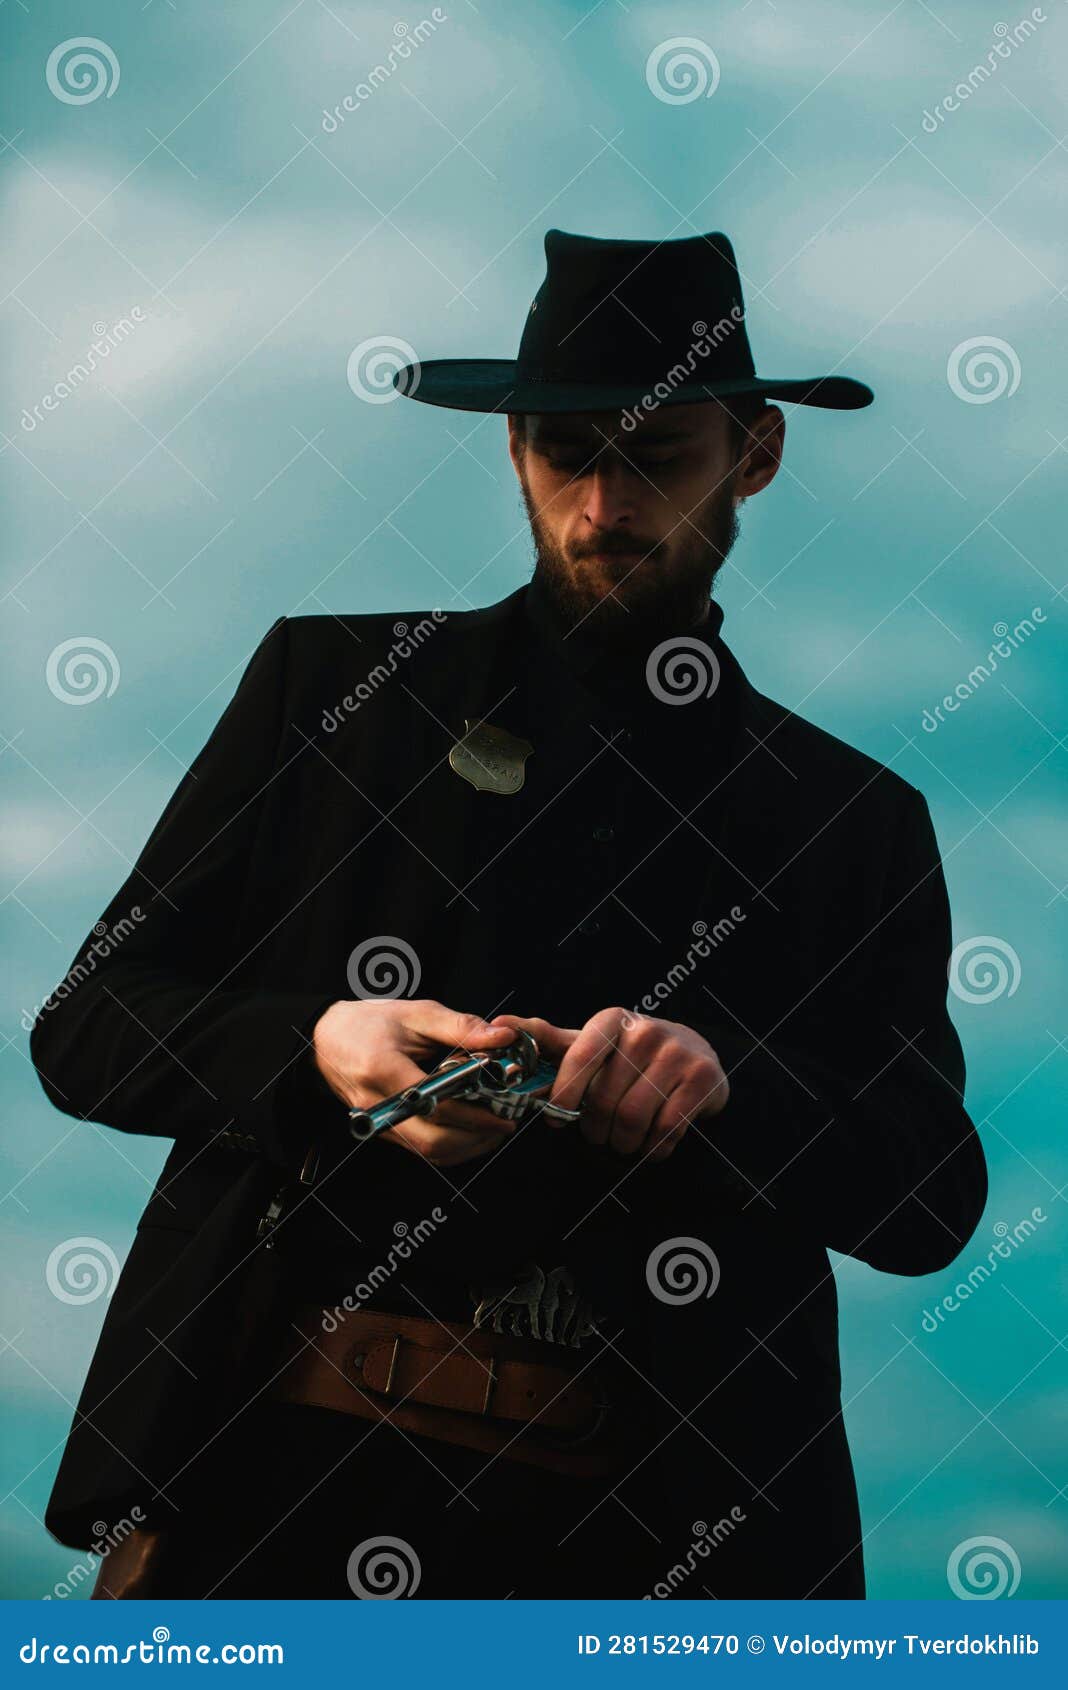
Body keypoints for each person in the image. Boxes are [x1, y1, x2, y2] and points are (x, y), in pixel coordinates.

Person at [30, 228, 987, 1599]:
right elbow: (88, 1026)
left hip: (669, 1548)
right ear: (515, 447)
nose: (601, 506)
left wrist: (729, 1091)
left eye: (657, 455)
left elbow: (932, 1191)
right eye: (565, 452)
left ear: (756, 454)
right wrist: (320, 1046)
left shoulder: (853, 818)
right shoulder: (331, 692)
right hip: (267, 1503)